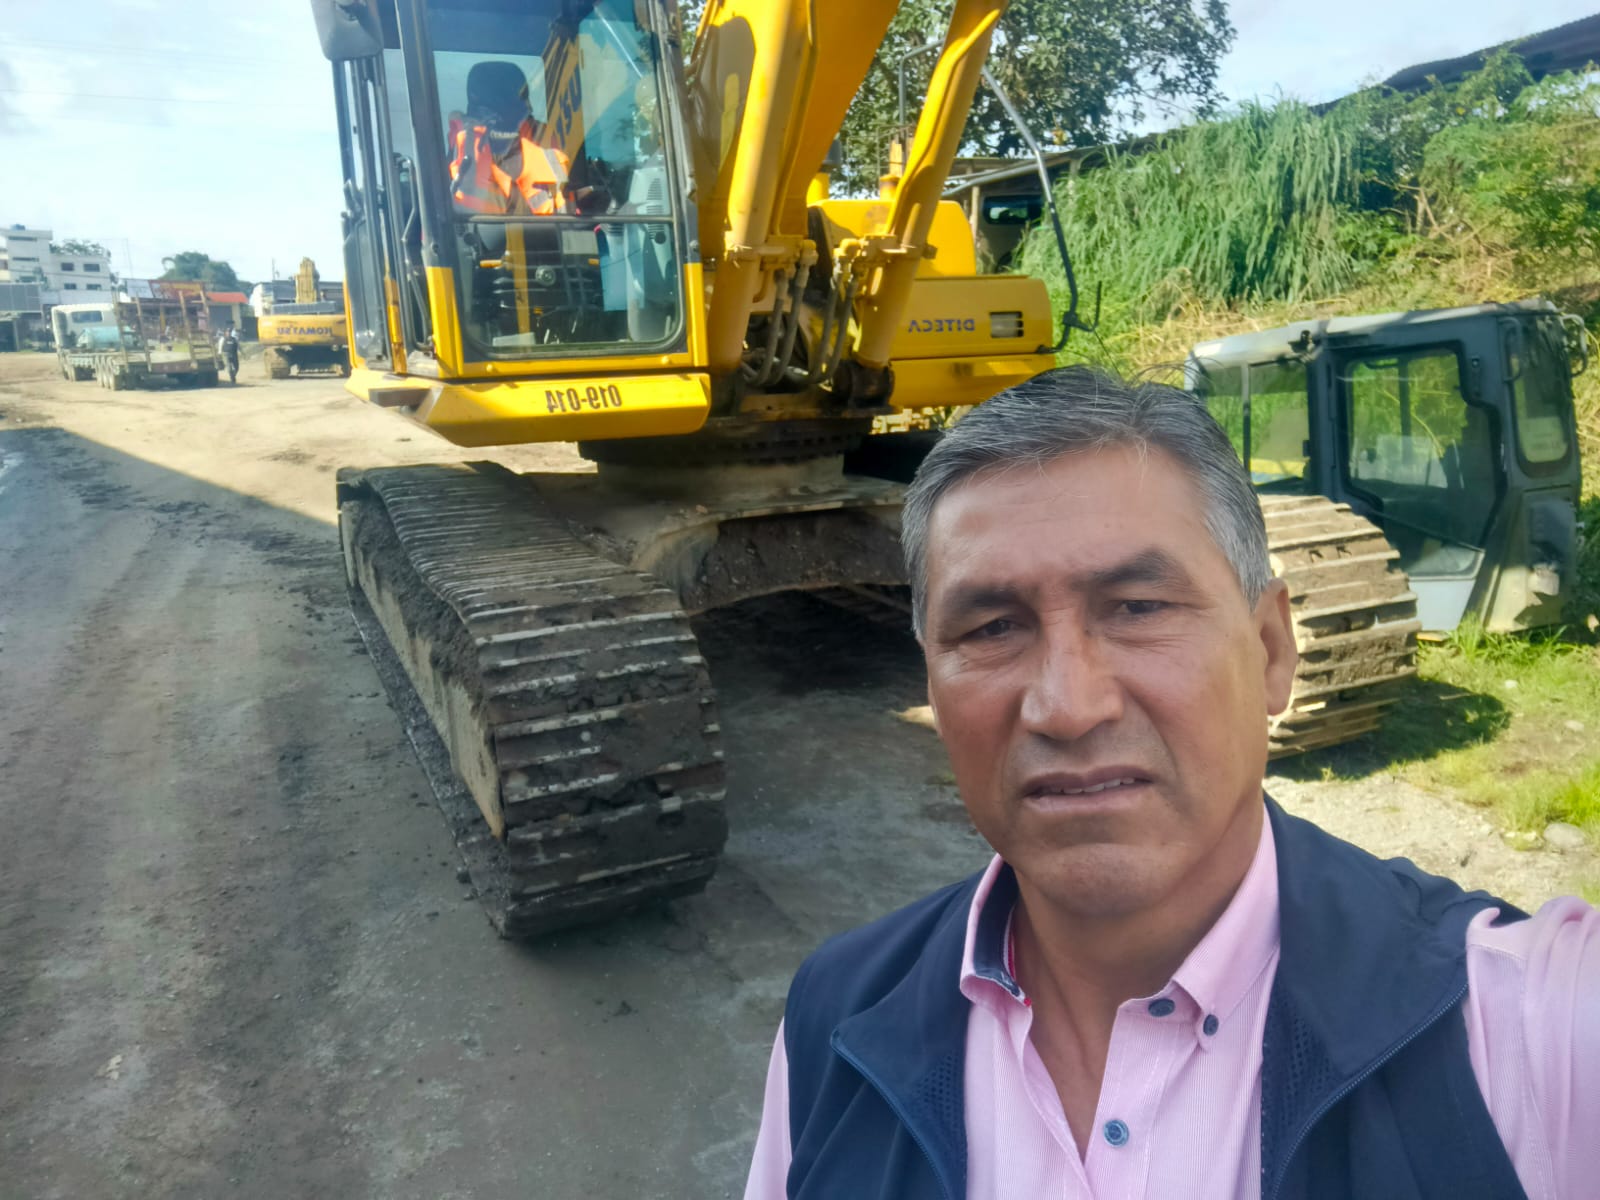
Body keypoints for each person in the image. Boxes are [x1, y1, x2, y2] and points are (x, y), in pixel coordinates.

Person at [742, 367, 1597, 1199]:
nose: (1067, 707)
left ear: (1271, 651)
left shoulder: (1520, 1027)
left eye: (1138, 608)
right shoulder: (837, 1025)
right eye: (994, 628)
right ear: (932, 684)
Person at [448, 61, 571, 217]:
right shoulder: (456, 151)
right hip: (470, 231)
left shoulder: (544, 142)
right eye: (521, 98)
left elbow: (571, 208)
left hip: (560, 231)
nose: (529, 107)